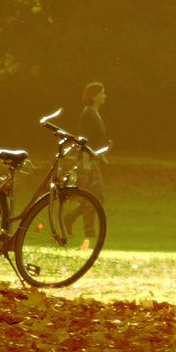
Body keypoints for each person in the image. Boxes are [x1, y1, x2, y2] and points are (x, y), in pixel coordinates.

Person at [77, 82, 110, 248]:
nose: (105, 96)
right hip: (87, 161)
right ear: (93, 96)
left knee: (94, 197)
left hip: (94, 160)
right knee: (91, 196)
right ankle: (88, 231)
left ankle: (79, 224)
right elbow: (84, 139)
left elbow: (96, 140)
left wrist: (101, 156)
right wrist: (85, 162)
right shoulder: (87, 114)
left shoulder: (96, 113)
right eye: (102, 93)